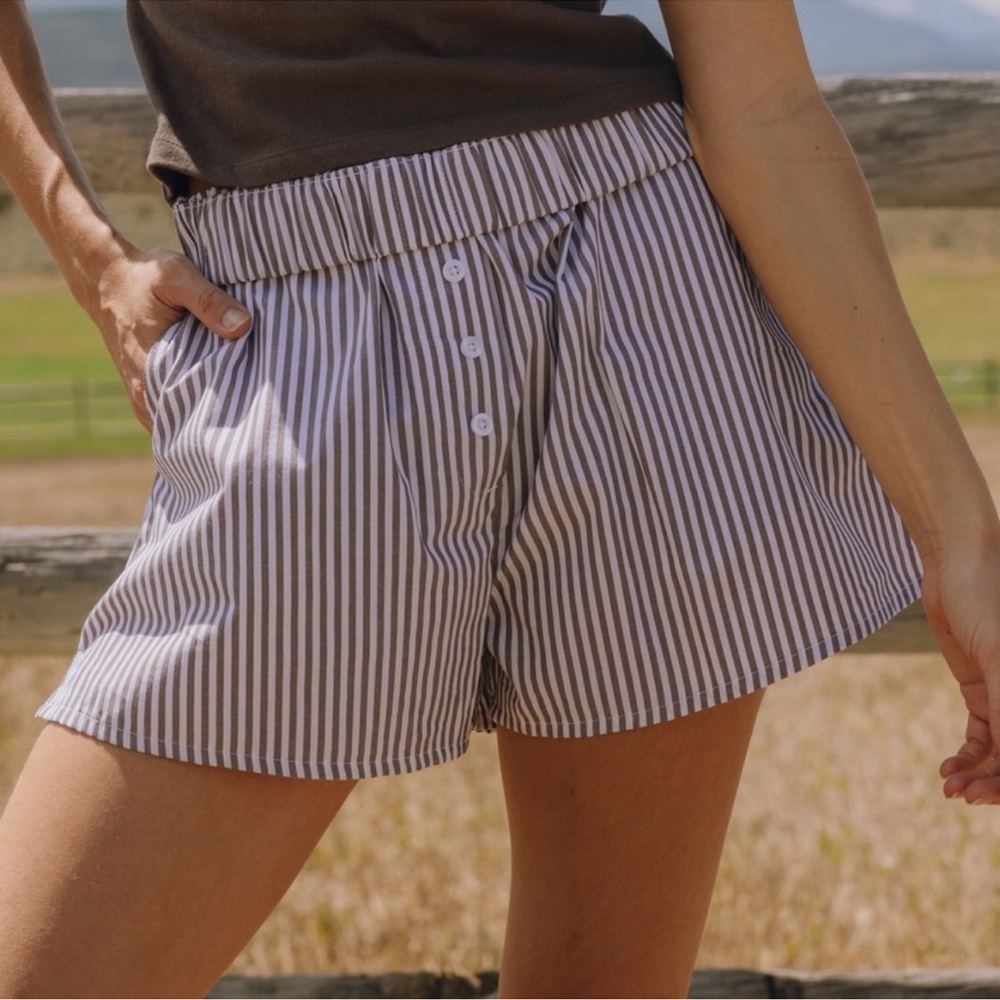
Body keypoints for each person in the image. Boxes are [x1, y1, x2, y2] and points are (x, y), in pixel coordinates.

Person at [1, 1, 999, 996]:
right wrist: (92, 259)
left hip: (637, 295)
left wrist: (961, 535)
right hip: (296, 328)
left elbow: (764, 105)